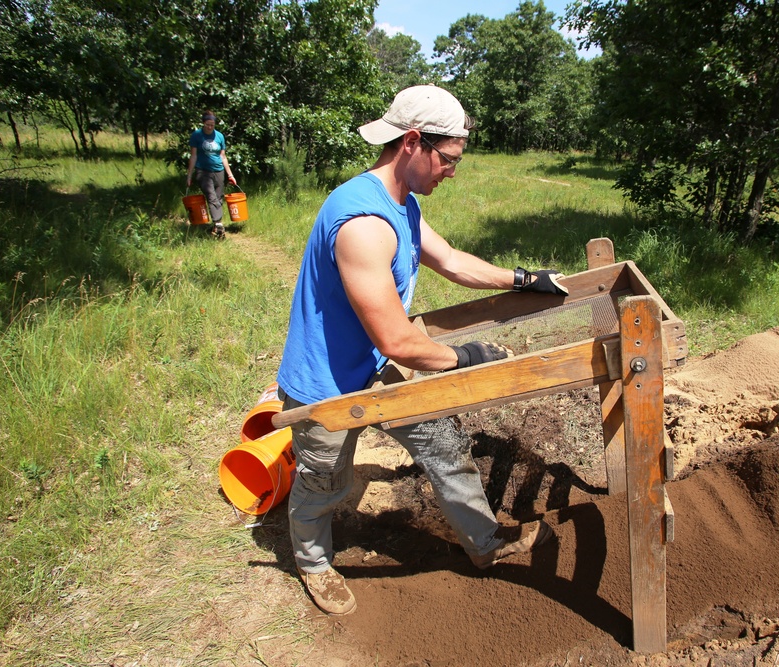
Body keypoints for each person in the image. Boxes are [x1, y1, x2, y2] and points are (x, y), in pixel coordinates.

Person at [276, 85, 570, 616]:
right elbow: (399, 341)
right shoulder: (362, 224)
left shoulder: (402, 204)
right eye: (449, 160)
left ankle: (486, 544)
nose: (453, 172)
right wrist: (469, 358)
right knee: (326, 481)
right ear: (413, 141)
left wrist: (525, 277)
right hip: (326, 382)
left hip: (376, 365)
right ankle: (314, 561)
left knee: (442, 443)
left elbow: (452, 261)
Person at [186, 111, 236, 239]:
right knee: (211, 196)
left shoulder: (219, 136)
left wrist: (230, 175)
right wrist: (189, 175)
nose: (210, 127)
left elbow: (223, 156)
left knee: (219, 197)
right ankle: (218, 223)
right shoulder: (196, 136)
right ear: (203, 123)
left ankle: (216, 226)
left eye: (212, 125)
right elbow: (193, 156)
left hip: (219, 170)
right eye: (208, 124)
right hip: (203, 171)